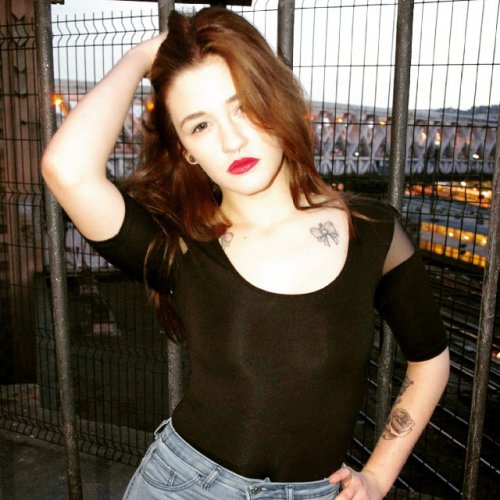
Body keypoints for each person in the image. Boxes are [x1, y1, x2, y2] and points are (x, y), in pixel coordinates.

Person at [41, 7, 450, 500]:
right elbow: (66, 169)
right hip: (184, 486)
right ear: (187, 150)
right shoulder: (180, 245)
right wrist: (144, 55)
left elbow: (430, 359)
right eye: (200, 126)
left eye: (243, 107)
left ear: (275, 101)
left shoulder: (373, 232)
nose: (232, 140)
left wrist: (379, 476)